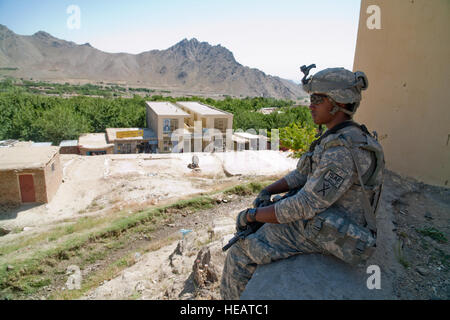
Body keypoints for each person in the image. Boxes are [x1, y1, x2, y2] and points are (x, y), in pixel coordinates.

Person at [220, 67, 385, 300]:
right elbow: (302, 174)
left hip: (334, 229)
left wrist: (253, 215)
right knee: (264, 218)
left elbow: (305, 205)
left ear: (337, 103)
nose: (310, 106)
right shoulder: (339, 136)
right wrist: (268, 190)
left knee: (242, 247)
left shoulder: (343, 151)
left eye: (317, 99)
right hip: (325, 214)